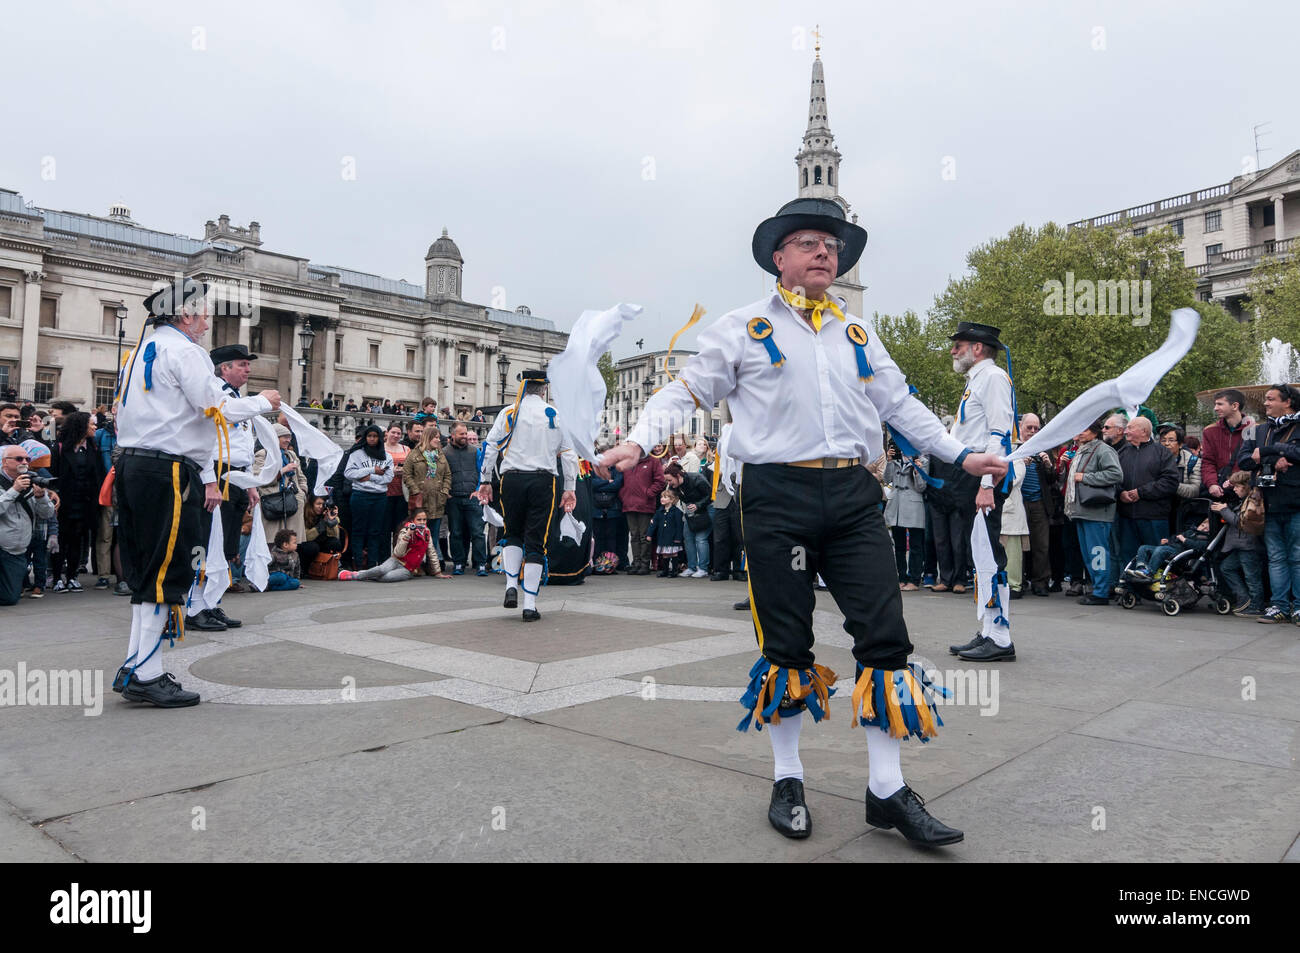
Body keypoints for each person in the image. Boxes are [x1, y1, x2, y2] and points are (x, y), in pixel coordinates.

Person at [600, 196, 1006, 846]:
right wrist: (640, 441)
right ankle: (787, 776)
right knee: (786, 643)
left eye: (833, 244)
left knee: (885, 636)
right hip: (777, 496)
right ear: (780, 257)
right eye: (811, 241)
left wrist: (961, 453)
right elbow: (685, 391)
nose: (826, 251)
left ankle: (886, 790)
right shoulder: (741, 328)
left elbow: (901, 406)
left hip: (852, 494)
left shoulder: (857, 334)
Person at [114, 277, 280, 706]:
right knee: (167, 569)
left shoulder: (138, 353)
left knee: (146, 569)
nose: (207, 322)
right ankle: (147, 673)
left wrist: (206, 473)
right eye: (203, 314)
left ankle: (136, 664)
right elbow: (218, 408)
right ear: (185, 315)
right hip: (166, 470)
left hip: (133, 463)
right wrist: (264, 401)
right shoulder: (186, 352)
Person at [474, 369, 578, 621]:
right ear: (544, 390)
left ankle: (511, 584)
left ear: (522, 386)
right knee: (536, 540)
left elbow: (489, 446)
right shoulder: (555, 415)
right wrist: (570, 488)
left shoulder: (509, 412)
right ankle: (529, 604)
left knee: (512, 533)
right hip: (543, 480)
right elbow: (568, 454)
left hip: (512, 478)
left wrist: (485, 480)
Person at [945, 321, 1017, 661]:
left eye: (958, 344)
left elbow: (1000, 433)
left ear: (977, 348)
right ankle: (989, 628)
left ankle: (1000, 637)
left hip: (983, 476)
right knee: (979, 555)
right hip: (971, 473)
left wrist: (987, 484)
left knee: (989, 555)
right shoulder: (978, 380)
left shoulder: (992, 378)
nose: (953, 350)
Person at [1236, 382, 1300, 624]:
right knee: (1276, 557)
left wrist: (1269, 451)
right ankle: (1279, 606)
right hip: (1267, 504)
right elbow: (1243, 461)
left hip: (1295, 503)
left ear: (1288, 402)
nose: (1266, 403)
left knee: (1296, 557)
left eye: (1271, 399)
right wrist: (1275, 461)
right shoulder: (1257, 430)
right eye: (1265, 399)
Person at [1062, 418, 1123, 606]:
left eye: (1084, 429)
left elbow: (1116, 474)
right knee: (1089, 553)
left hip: (1096, 511)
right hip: (1082, 510)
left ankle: (1101, 592)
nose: (1079, 432)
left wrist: (1086, 477)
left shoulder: (1103, 450)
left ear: (1094, 432)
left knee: (1097, 553)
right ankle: (1097, 588)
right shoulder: (1082, 450)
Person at [46, 411, 104, 593]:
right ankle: (57, 578)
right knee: (60, 540)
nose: (94, 427)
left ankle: (72, 576)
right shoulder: (60, 448)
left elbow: (98, 476)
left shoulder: (93, 449)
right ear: (81, 426)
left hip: (85, 502)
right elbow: (51, 475)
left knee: (77, 540)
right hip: (63, 503)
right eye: (91, 424)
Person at [1114, 416, 1179, 574]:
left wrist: (1140, 492)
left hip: (1154, 518)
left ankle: (1156, 591)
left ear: (1143, 431)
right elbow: (1113, 477)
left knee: (1156, 556)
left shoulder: (1161, 452)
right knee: (1128, 557)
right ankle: (1130, 592)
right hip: (1127, 517)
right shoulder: (1122, 452)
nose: (1126, 431)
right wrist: (1120, 492)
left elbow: (1170, 482)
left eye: (1130, 428)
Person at [1, 445, 56, 605]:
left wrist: (41, 497)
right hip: (1, 547)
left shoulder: (32, 479)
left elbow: (47, 514)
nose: (24, 462)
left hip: (18, 551)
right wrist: (15, 490)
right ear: (5, 462)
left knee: (11, 598)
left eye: (27, 459)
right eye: (19, 459)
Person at [1213, 470, 1265, 617]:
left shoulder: (1253, 500)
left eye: (1237, 486)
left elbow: (1240, 522)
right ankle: (1244, 599)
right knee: (1227, 567)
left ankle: (1256, 605)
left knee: (1252, 576)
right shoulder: (1243, 499)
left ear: (1245, 486)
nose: (1234, 489)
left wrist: (1223, 510)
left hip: (1248, 545)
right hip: (1241, 545)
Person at [340, 509, 444, 582]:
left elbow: (431, 552)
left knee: (387, 577)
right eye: (419, 520)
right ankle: (355, 575)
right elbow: (398, 553)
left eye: (424, 520)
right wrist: (408, 535)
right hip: (396, 560)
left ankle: (366, 575)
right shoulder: (405, 530)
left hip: (408, 569)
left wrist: (437, 572)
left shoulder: (427, 532)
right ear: (412, 521)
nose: (422, 522)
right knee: (381, 570)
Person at [343, 425, 393, 569]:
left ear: (379, 438)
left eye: (375, 436)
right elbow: (349, 473)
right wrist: (373, 471)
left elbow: (388, 477)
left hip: (379, 497)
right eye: (369, 436)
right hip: (360, 495)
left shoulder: (387, 456)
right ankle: (358, 563)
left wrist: (368, 477)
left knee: (375, 531)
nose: (372, 439)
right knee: (359, 530)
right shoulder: (357, 454)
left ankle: (372, 563)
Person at [445, 422, 488, 575]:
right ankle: (458, 563)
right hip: (453, 497)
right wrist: (446, 491)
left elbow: (481, 472)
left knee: (477, 532)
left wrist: (477, 490)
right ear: (453, 435)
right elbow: (442, 474)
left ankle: (481, 563)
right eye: (461, 434)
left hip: (472, 497)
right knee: (455, 532)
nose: (464, 437)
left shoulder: (475, 451)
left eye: (465, 434)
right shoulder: (444, 452)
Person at [883, 442, 927, 591]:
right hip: (896, 505)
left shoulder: (923, 460)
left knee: (915, 545)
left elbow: (921, 487)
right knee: (899, 545)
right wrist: (889, 461)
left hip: (913, 504)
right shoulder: (895, 459)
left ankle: (914, 579)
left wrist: (917, 471)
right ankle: (901, 577)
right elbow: (887, 479)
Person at [402, 425, 452, 547]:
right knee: (417, 535)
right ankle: (417, 563)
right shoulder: (414, 454)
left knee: (433, 536)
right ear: (428, 438)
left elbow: (447, 475)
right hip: (420, 501)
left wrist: (444, 491)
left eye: (439, 437)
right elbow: (406, 474)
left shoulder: (440, 455)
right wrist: (416, 491)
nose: (439, 440)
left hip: (437, 501)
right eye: (436, 437)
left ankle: (432, 563)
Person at [618, 445, 665, 574]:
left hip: (645, 504)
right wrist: (624, 494)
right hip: (629, 503)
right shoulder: (628, 462)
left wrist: (649, 493)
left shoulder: (653, 461)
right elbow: (620, 481)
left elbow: (660, 481)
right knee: (634, 536)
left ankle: (645, 563)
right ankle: (636, 562)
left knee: (644, 536)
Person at [663, 461, 712, 577]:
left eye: (670, 480)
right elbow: (671, 499)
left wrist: (698, 505)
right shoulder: (674, 486)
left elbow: (710, 495)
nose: (668, 483)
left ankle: (703, 568)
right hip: (691, 510)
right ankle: (691, 567)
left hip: (707, 508)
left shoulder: (696, 478)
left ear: (678, 476)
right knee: (688, 537)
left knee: (701, 538)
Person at [1202, 389, 1253, 499]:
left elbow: (1256, 461)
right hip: (1220, 490)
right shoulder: (1209, 431)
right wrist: (1212, 484)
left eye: (1220, 404)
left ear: (1234, 406)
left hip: (1246, 491)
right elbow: (1207, 462)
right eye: (1215, 404)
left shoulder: (1255, 429)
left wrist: (1237, 480)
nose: (1215, 408)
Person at [710, 423, 745, 582]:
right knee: (720, 538)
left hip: (739, 496)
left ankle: (739, 570)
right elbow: (714, 471)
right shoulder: (720, 449)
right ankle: (720, 570)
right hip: (722, 497)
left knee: (740, 538)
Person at [589, 446, 625, 573]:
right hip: (596, 508)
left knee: (611, 538)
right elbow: (591, 484)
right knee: (597, 538)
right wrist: (608, 482)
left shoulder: (617, 468)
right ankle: (597, 565)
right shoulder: (592, 468)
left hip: (612, 508)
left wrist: (604, 484)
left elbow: (617, 485)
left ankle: (610, 565)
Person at [647, 487, 686, 576]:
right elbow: (654, 524)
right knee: (665, 554)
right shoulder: (659, 511)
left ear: (672, 500)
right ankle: (665, 570)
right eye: (661, 497)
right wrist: (649, 534)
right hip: (663, 537)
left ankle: (674, 570)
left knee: (673, 553)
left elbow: (679, 526)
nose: (662, 499)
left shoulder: (677, 512)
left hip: (673, 537)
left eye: (665, 497)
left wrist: (678, 538)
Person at [382, 424, 410, 542]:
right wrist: (391, 471)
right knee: (384, 527)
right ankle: (384, 557)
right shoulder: (380, 448)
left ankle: (398, 556)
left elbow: (412, 466)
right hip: (385, 492)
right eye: (393, 432)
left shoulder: (406, 449)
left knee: (400, 528)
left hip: (402, 492)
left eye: (399, 433)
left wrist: (405, 470)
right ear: (387, 433)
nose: (396, 435)